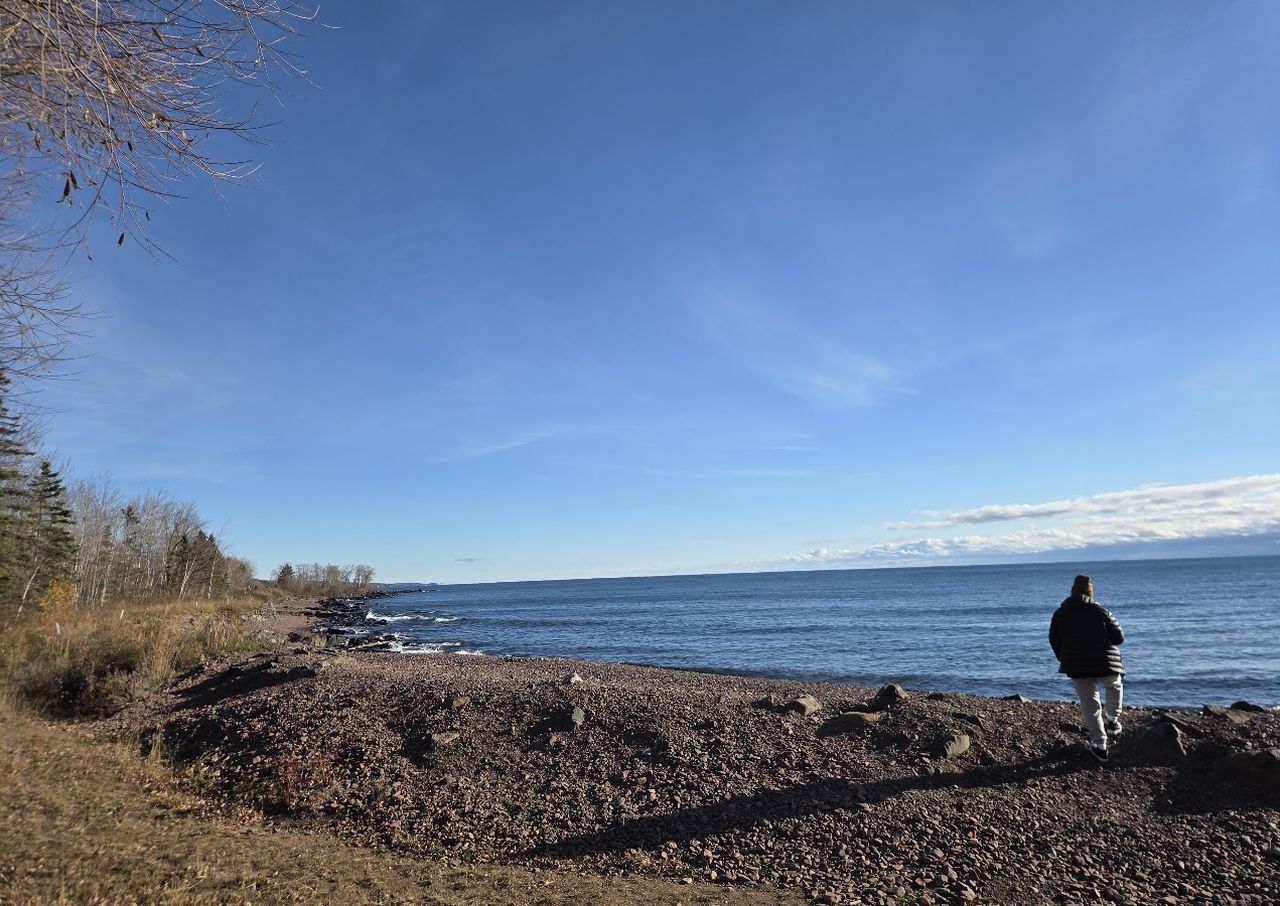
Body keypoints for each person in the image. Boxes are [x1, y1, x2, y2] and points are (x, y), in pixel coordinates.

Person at [1048, 574, 1125, 762]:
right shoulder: (1100, 611)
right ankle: (1113, 720)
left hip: (1077, 666)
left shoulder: (1061, 613)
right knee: (1114, 686)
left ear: (1072, 590)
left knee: (1090, 704)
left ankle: (1100, 745)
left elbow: (1053, 639)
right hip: (1105, 663)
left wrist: (1064, 658)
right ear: (1090, 591)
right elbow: (1118, 637)